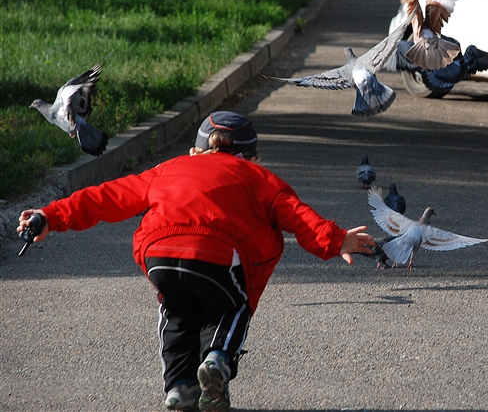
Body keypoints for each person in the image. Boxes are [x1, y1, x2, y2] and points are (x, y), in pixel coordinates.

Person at [17, 111, 375, 411]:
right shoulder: (260, 178)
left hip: (160, 253)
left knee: (177, 311)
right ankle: (217, 359)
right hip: (219, 252)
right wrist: (335, 239)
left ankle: (179, 387)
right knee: (234, 305)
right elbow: (297, 216)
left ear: (194, 150)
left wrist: (49, 216)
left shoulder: (167, 169)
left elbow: (107, 196)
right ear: (251, 158)